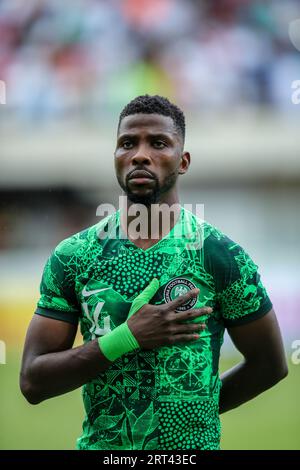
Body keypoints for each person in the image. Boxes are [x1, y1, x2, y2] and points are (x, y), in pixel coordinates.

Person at [20, 95, 288, 450]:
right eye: (127, 144)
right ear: (115, 158)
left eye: (158, 143)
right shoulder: (75, 256)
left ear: (183, 161)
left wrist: (197, 411)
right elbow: (33, 382)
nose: (140, 154)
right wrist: (126, 337)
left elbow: (270, 365)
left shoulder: (219, 254)